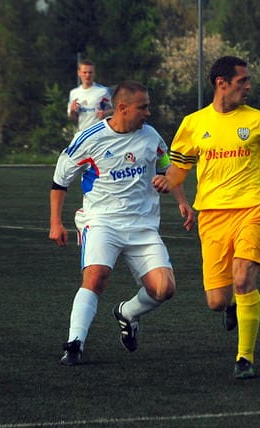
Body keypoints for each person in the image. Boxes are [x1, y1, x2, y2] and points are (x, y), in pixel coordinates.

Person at [152, 56, 260, 380]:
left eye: (248, 80)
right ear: (221, 83)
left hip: (253, 209)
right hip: (211, 216)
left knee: (243, 278)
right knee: (216, 301)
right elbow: (179, 168)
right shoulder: (194, 124)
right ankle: (234, 306)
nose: (248, 86)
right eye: (242, 81)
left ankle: (244, 357)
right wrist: (169, 181)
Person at [49, 81, 194, 366]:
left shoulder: (152, 137)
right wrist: (55, 222)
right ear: (123, 108)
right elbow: (59, 180)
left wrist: (181, 200)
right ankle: (75, 343)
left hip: (143, 226)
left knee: (164, 289)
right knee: (96, 276)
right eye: (143, 107)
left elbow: (167, 167)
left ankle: (127, 312)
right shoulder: (89, 139)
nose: (148, 113)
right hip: (102, 222)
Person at [68, 59, 113, 132]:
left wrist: (105, 113)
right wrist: (72, 111)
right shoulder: (74, 93)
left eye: (90, 72)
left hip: (99, 133)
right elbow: (73, 119)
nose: (87, 75)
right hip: (82, 134)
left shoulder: (103, 91)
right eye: (84, 72)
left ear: (94, 73)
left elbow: (116, 109)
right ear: (79, 73)